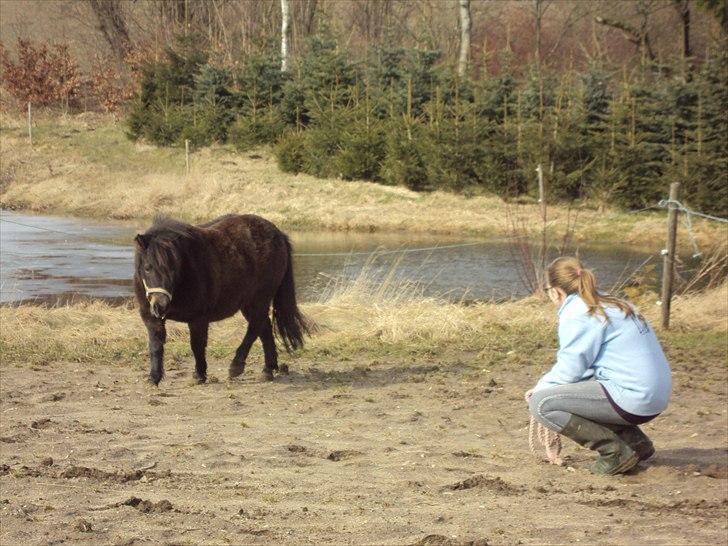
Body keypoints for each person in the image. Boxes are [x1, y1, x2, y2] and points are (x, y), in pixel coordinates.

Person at [526, 257, 672, 475]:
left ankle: (614, 452)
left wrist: (539, 388)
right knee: (572, 390)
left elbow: (571, 369)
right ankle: (635, 442)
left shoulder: (578, 313)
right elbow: (585, 368)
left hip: (634, 397)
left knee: (542, 403)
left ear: (555, 291)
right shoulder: (610, 302)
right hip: (654, 395)